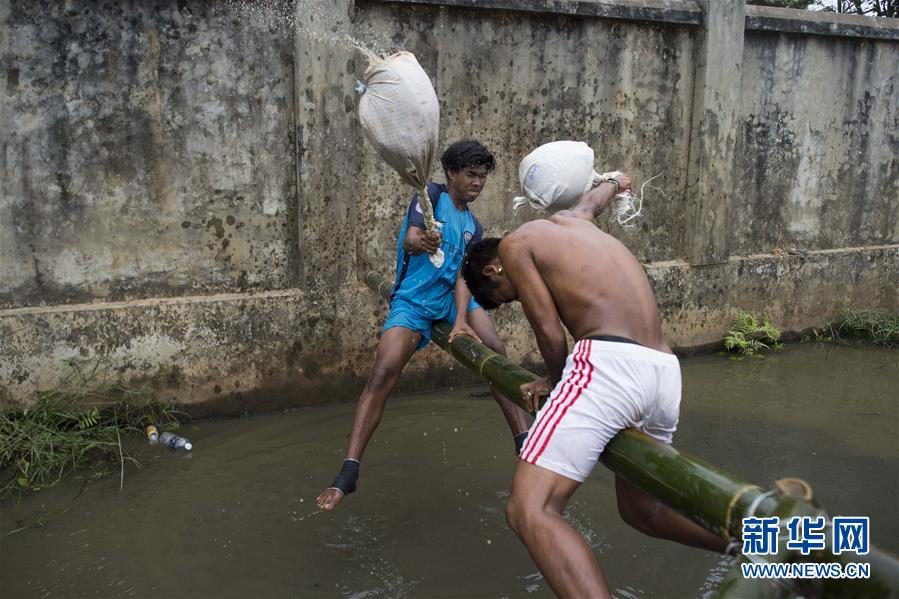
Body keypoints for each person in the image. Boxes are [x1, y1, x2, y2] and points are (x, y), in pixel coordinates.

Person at [460, 173, 727, 597]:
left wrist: (552, 378)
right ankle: (774, 547)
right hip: (663, 370)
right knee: (644, 511)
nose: (515, 297)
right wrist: (617, 181)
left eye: (506, 295)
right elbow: (595, 199)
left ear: (494, 269)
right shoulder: (574, 220)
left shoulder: (515, 247)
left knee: (530, 509)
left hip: (607, 365)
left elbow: (549, 334)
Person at [316, 140, 530, 512]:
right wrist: (423, 238)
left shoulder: (473, 226)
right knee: (383, 373)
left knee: (496, 351)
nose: (478, 183)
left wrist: (462, 319)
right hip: (414, 301)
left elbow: (465, 277)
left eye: (482, 177)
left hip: (452, 300)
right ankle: (349, 471)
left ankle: (523, 440)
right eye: (470, 175)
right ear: (451, 173)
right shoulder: (429, 196)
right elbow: (412, 240)